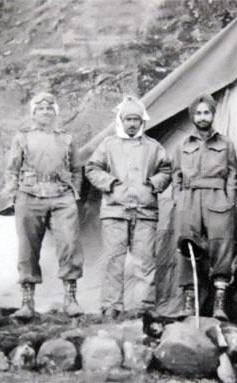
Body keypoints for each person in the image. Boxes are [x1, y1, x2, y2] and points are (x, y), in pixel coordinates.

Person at [85, 96, 171, 319]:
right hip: (115, 211)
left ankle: (145, 307)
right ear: (121, 121)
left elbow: (167, 170)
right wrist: (110, 183)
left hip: (145, 212)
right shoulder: (108, 145)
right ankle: (111, 306)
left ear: (142, 121)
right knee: (114, 260)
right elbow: (92, 168)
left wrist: (153, 184)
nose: (132, 124)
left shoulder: (154, 147)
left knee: (145, 262)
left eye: (136, 119)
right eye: (128, 119)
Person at [5, 92, 84, 319]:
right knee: (27, 249)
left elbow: (77, 168)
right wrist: (14, 194)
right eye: (41, 109)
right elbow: (12, 169)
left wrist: (74, 192)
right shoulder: (22, 137)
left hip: (61, 195)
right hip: (29, 194)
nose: (46, 112)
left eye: (50, 109)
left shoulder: (66, 137)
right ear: (34, 113)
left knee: (69, 243)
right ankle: (27, 302)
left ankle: (71, 299)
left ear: (55, 113)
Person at [173, 94, 237, 321]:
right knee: (188, 247)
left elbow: (232, 173)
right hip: (190, 199)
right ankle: (189, 302)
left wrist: (228, 199)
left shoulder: (226, 143)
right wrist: (179, 198)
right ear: (193, 116)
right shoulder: (183, 145)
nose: (203, 117)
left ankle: (219, 304)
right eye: (198, 113)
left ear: (213, 115)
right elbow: (176, 175)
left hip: (217, 198)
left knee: (221, 247)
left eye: (206, 112)